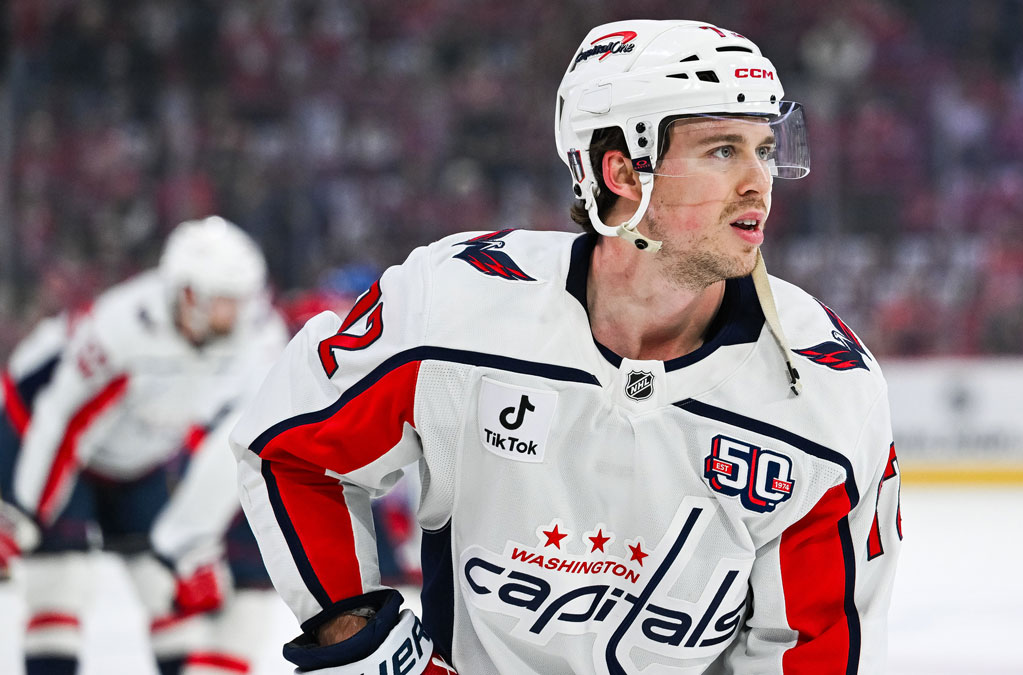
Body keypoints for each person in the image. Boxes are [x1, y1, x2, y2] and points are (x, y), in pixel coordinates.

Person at [231, 19, 901, 674]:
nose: (760, 180)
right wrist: (359, 639)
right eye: (723, 149)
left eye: (764, 146)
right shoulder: (456, 307)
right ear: (621, 171)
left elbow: (815, 645)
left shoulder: (824, 388)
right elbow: (293, 450)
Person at [4, 216, 289, 675]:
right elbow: (61, 420)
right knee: (60, 586)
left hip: (140, 457)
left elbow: (235, 443)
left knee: (172, 601)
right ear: (188, 295)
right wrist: (24, 513)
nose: (238, 314)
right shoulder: (122, 325)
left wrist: (190, 546)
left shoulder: (258, 335)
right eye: (225, 301)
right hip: (45, 442)